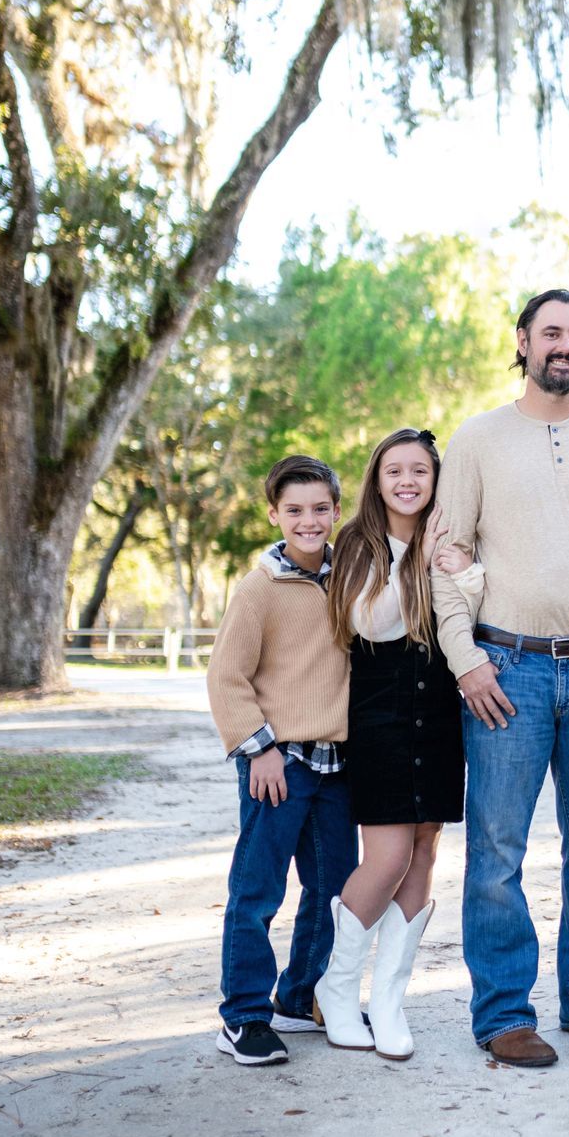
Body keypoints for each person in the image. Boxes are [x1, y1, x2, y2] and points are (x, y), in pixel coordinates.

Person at [430, 287, 569, 1069]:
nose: (565, 344)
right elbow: (444, 551)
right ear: (522, 340)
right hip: (509, 670)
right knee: (497, 847)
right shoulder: (479, 438)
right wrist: (466, 660)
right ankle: (502, 1012)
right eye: (552, 332)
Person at [314, 428, 483, 1061]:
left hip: (438, 714)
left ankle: (388, 1000)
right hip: (381, 719)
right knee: (384, 859)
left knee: (423, 851)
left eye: (420, 471)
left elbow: (473, 602)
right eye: (395, 471)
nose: (408, 481)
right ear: (377, 480)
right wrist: (419, 560)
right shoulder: (360, 543)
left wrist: (458, 567)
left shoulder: (450, 537)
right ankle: (336, 991)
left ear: (437, 480)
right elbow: (373, 621)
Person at [206, 455, 356, 1066]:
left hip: (339, 764)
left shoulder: (349, 578)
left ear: (337, 513)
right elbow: (226, 677)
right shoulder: (260, 587)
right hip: (279, 763)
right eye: (294, 510)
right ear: (274, 514)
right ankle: (243, 1015)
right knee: (258, 889)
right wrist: (260, 748)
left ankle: (300, 996)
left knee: (332, 889)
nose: (309, 520)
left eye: (321, 508)